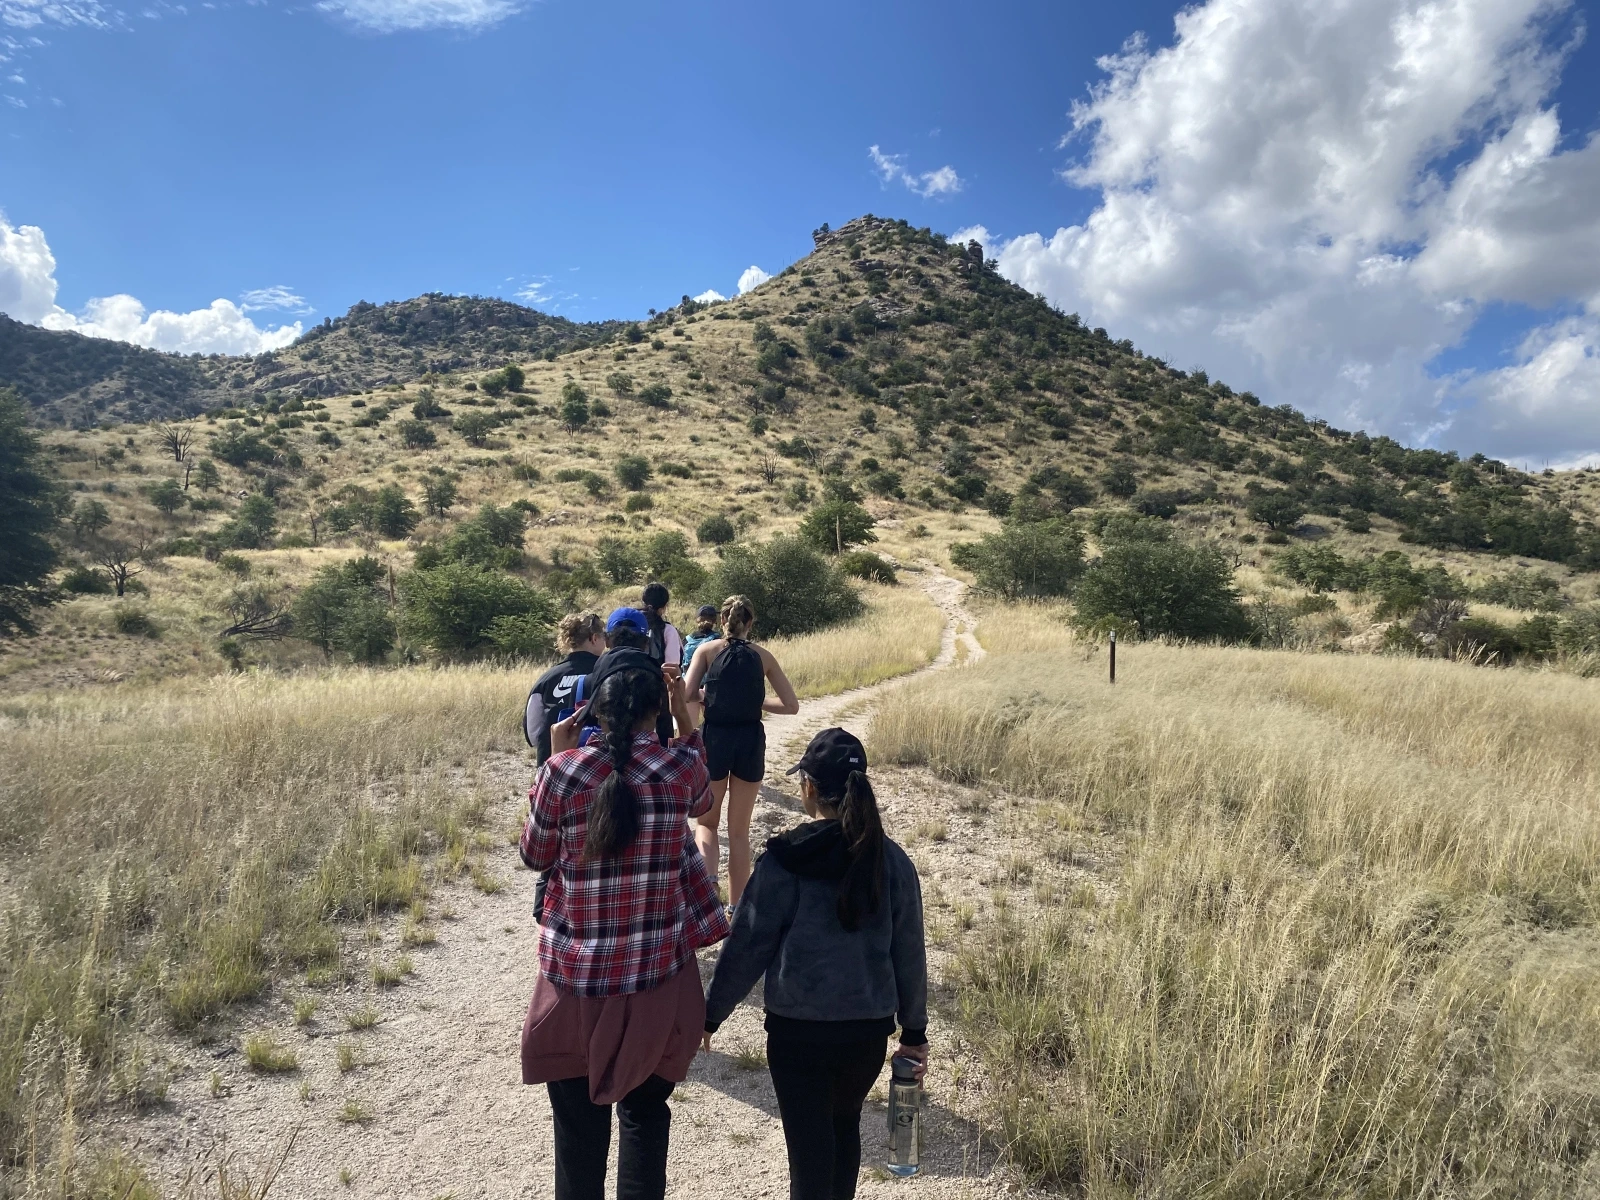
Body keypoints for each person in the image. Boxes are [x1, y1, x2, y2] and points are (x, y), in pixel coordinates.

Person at [519, 667, 729, 1200]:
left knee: (577, 1136)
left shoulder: (562, 773)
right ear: (654, 712)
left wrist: (550, 756)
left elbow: (534, 855)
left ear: (592, 711)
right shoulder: (680, 767)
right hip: (654, 982)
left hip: (574, 984)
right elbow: (704, 803)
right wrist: (685, 717)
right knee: (645, 1118)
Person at [703, 728, 927, 1200]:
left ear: (807, 787)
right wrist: (914, 1032)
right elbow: (909, 951)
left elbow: (748, 945)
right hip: (866, 1033)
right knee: (843, 1126)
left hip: (797, 1032)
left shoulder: (785, 861)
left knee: (808, 1150)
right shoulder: (892, 862)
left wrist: (711, 1014)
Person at [684, 594, 799, 906]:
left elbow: (687, 694)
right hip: (750, 741)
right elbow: (791, 706)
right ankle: (737, 909)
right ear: (751, 623)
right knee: (739, 833)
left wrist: (708, 696)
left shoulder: (706, 651)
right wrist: (756, 702)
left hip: (715, 741)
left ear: (723, 621)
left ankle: (707, 893)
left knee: (707, 824)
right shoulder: (764, 657)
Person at [583, 608, 675, 747]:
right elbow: (665, 731)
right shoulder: (656, 678)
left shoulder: (588, 682)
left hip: (597, 762)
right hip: (650, 762)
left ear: (607, 641)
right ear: (646, 643)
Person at [524, 612, 606, 766]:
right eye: (604, 636)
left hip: (553, 767)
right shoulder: (609, 674)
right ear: (594, 638)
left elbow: (533, 734)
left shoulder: (547, 678)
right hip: (597, 767)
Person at [640, 581, 683, 675]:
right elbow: (672, 667)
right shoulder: (668, 630)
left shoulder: (631, 624)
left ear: (643, 602)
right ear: (664, 607)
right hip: (656, 686)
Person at [680, 604, 720, 671]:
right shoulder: (718, 640)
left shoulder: (687, 640)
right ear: (714, 620)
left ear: (697, 620)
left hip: (687, 680)